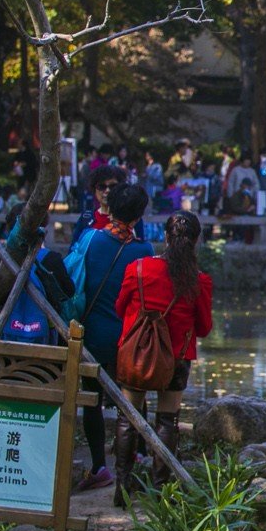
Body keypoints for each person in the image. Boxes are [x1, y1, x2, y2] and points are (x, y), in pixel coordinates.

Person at [114, 212, 213, 500]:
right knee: (167, 419)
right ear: (195, 242)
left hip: (137, 354)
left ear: (166, 237)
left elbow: (121, 309)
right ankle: (159, 490)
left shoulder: (139, 269)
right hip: (178, 357)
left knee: (128, 417)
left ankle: (122, 488)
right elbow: (205, 328)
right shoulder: (198, 280)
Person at [72, 183, 156, 492]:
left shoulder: (90, 239)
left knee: (92, 401)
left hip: (93, 333)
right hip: (129, 338)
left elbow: (73, 278)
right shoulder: (144, 251)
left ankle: (99, 467)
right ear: (137, 217)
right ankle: (138, 458)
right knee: (133, 399)